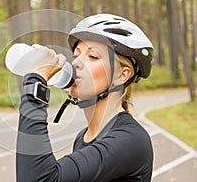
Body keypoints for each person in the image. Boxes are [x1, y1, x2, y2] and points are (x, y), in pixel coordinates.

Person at [16, 14, 154, 182]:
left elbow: (38, 179)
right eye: (77, 55)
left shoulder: (130, 140)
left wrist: (35, 82)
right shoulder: (83, 138)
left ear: (122, 75)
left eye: (93, 56)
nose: (76, 64)